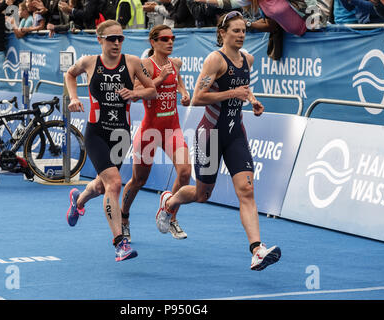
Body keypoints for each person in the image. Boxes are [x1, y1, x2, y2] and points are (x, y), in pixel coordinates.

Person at [155, 11, 281, 271]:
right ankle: (170, 202)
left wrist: (252, 100)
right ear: (222, 33)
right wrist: (230, 93)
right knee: (202, 194)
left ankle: (257, 250)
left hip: (236, 133)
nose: (241, 35)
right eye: (235, 31)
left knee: (246, 191)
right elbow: (199, 97)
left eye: (244, 31)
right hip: (210, 134)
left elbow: (244, 89)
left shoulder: (248, 59)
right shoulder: (215, 60)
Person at [65, 19, 157, 262]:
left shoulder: (133, 63)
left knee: (102, 186)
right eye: (111, 39)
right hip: (96, 133)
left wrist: (135, 93)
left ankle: (79, 199)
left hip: (121, 135)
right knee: (114, 183)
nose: (117, 43)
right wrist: (73, 98)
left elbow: (152, 90)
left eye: (121, 38)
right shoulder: (89, 62)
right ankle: (120, 243)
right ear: (100, 40)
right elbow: (69, 74)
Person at [120, 25, 191, 242]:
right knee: (138, 180)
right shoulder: (145, 66)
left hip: (172, 128)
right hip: (150, 131)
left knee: (185, 173)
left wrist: (184, 92)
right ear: (153, 42)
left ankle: (169, 214)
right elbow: (135, 94)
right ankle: (123, 219)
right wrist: (159, 80)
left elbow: (178, 81)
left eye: (172, 38)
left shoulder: (175, 63)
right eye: (164, 39)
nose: (170, 42)